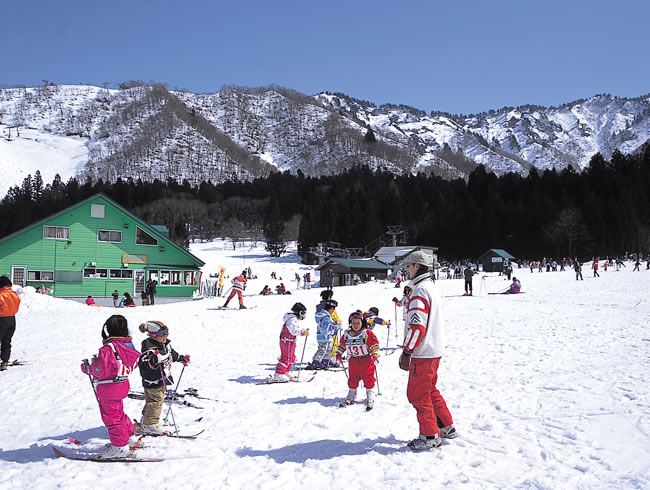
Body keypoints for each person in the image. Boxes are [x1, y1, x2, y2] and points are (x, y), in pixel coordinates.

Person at [399, 251, 455, 451]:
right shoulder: (431, 287)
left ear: (416, 266)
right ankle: (445, 425)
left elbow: (417, 327)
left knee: (417, 394)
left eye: (409, 266)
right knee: (430, 390)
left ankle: (430, 435)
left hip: (423, 351)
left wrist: (407, 352)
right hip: (435, 348)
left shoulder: (419, 291)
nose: (407, 269)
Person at [80, 315, 140, 458]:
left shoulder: (109, 348)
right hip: (122, 384)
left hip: (109, 388)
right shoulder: (128, 345)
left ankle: (119, 447)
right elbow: (133, 363)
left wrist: (88, 368)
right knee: (119, 413)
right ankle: (129, 437)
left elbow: (100, 369)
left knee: (112, 418)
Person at [137, 321, 190, 435]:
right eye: (162, 334)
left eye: (166, 333)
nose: (165, 336)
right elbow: (144, 364)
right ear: (153, 334)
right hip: (153, 380)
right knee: (155, 402)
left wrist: (181, 358)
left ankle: (145, 420)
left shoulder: (165, 345)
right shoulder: (149, 349)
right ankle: (150, 424)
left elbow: (172, 354)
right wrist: (152, 362)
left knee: (153, 401)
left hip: (161, 378)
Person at [336, 311, 380, 410]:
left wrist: (374, 355)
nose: (355, 325)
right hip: (353, 360)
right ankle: (351, 395)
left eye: (358, 323)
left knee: (368, 378)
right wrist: (338, 353)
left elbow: (374, 344)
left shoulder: (366, 333)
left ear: (362, 323)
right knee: (352, 377)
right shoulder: (347, 334)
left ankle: (370, 396)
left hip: (366, 359)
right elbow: (342, 345)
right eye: (353, 323)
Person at [274, 303, 309, 382]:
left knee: (291, 357)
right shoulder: (292, 319)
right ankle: (278, 374)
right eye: (302, 313)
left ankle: (286, 371)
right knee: (287, 357)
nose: (303, 316)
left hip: (289, 341)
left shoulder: (292, 319)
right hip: (287, 341)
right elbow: (293, 331)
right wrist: (302, 332)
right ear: (298, 312)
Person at [307, 299, 339, 369]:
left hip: (327, 336)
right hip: (323, 336)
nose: (333, 311)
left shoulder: (326, 316)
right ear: (330, 309)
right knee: (323, 349)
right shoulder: (325, 317)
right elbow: (326, 327)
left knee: (330, 348)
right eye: (333, 309)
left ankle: (326, 360)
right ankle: (316, 361)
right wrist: (335, 327)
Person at [0, 276, 20, 371]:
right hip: (12, 319)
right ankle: (4, 361)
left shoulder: (1, 294)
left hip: (1, 319)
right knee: (6, 341)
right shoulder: (14, 294)